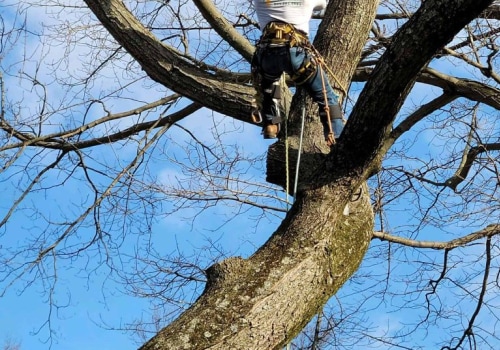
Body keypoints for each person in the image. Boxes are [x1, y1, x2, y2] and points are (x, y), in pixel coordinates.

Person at [251, 0, 344, 146]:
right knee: (327, 97)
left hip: (267, 54)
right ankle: (336, 135)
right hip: (294, 52)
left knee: (270, 89)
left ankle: (271, 124)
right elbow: (324, 5)